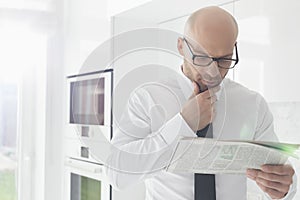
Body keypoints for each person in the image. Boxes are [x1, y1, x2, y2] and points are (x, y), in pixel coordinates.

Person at [105, 6, 297, 200]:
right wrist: (183, 124)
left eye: (223, 60)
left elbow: (280, 172)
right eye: (202, 57)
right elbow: (116, 174)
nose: (212, 71)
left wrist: (284, 189)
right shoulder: (147, 98)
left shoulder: (253, 104)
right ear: (181, 46)